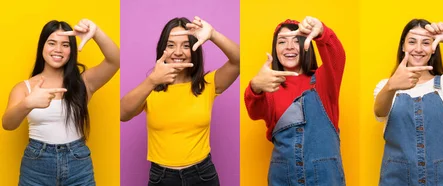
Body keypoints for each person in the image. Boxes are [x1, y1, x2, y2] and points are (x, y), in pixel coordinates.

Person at [120, 16, 239, 186]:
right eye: (171, 45)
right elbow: (122, 113)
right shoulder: (150, 87)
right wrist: (152, 81)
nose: (178, 52)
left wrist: (212, 34)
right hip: (161, 177)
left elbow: (239, 60)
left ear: (195, 48)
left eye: (186, 45)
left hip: (202, 175)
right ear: (162, 50)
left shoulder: (209, 84)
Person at [2, 19, 120, 185]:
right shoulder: (24, 88)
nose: (58, 49)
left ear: (71, 50)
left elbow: (115, 60)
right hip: (36, 165)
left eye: (65, 45)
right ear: (42, 46)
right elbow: (8, 124)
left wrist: (96, 32)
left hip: (78, 163)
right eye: (52, 43)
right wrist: (27, 103)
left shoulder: (84, 82)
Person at [373, 19, 443, 185]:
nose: (418, 49)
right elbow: (379, 111)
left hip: (442, 179)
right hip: (396, 179)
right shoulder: (386, 86)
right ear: (403, 46)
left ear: (433, 48)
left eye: (426, 43)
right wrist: (392, 85)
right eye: (412, 42)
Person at [244, 16, 346, 185]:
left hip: (326, 178)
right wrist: (255, 86)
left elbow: (337, 56)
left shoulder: (324, 80)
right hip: (283, 179)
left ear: (307, 45)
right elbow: (254, 113)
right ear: (275, 49)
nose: (289, 47)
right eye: (282, 41)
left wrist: (322, 31)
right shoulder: (270, 87)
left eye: (296, 40)